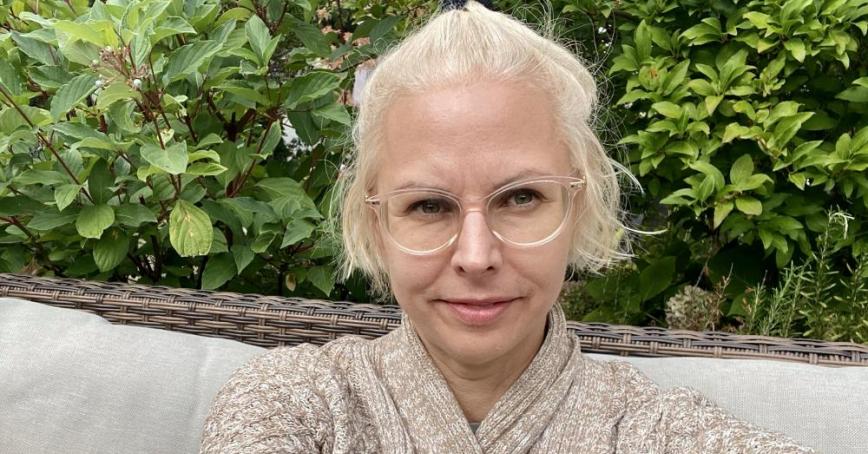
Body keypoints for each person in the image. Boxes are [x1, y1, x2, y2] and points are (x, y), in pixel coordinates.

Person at [200, 2, 813, 452]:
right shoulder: (295, 403)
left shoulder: (653, 429)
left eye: (521, 197)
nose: (476, 256)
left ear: (577, 206)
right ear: (375, 220)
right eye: (429, 206)